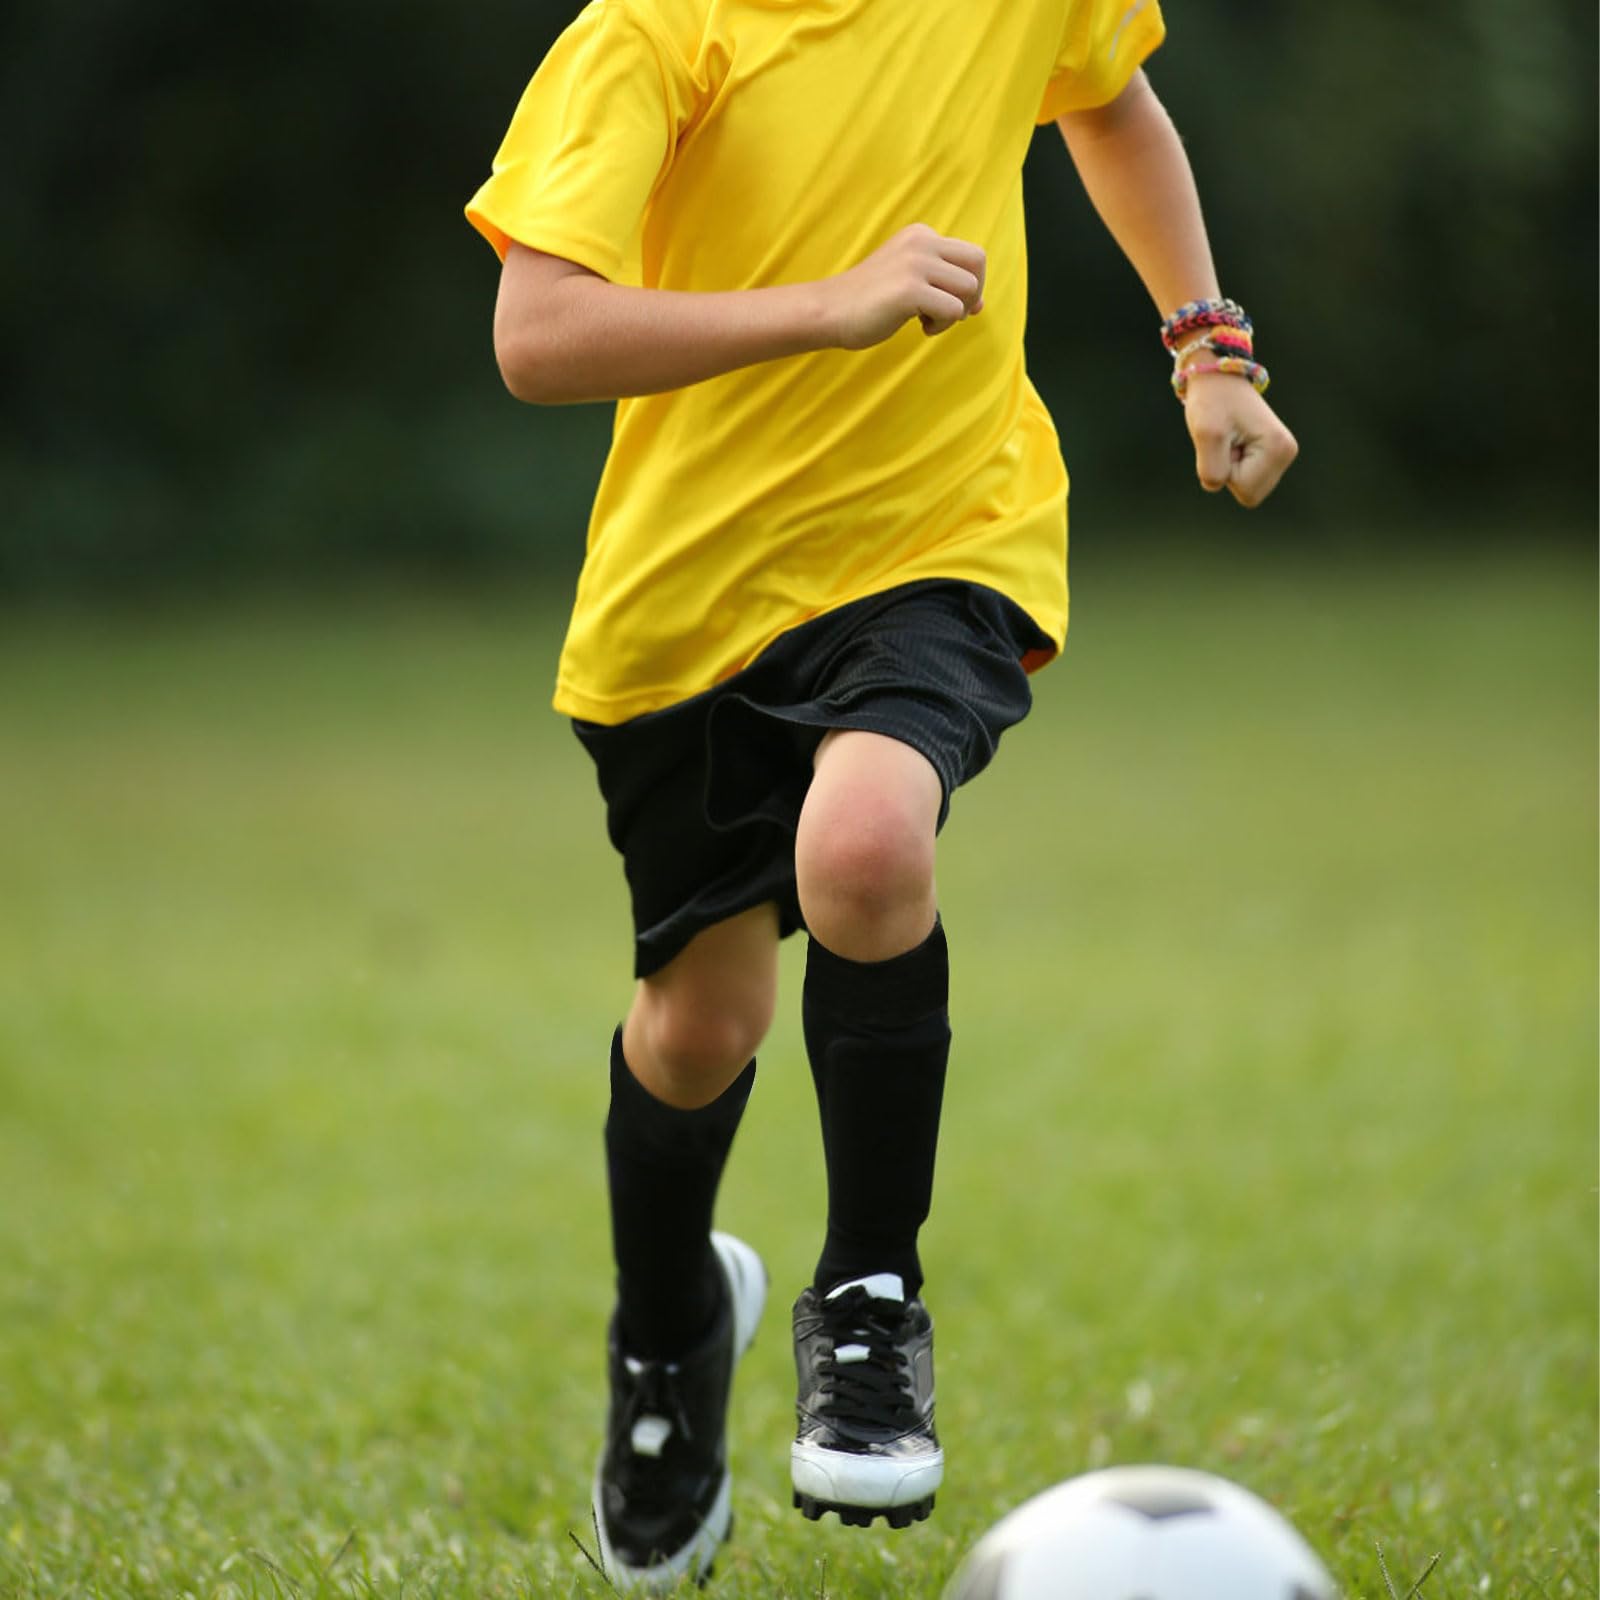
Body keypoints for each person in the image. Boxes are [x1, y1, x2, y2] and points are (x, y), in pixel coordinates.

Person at [466, 0, 1297, 1587]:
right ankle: (666, 1332)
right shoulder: (648, 34)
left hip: (939, 536)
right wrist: (827, 307)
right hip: (686, 607)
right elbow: (537, 334)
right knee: (698, 1033)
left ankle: (868, 1304)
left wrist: (1209, 347)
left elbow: (1111, 105)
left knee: (863, 845)